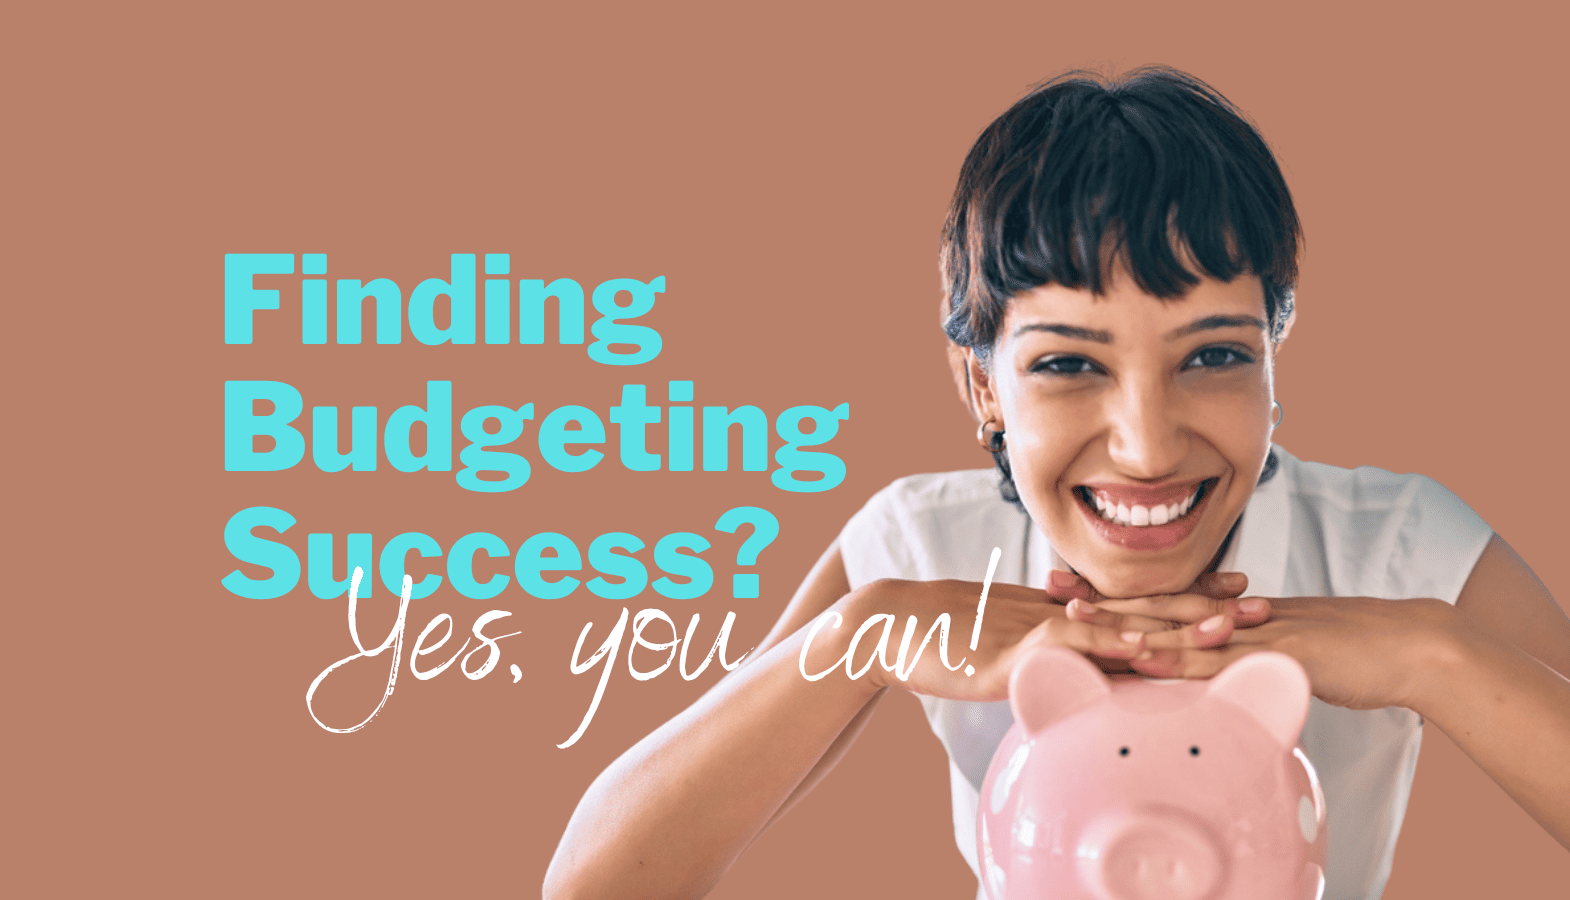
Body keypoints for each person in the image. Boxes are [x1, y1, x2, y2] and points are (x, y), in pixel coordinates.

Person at [543, 67, 1570, 900]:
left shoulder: (1398, 548)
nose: (1144, 446)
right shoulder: (921, 548)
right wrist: (857, 638)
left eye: (1212, 357)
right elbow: (598, 882)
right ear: (980, 387)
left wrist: (1433, 657)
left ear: (1274, 353)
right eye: (1068, 365)